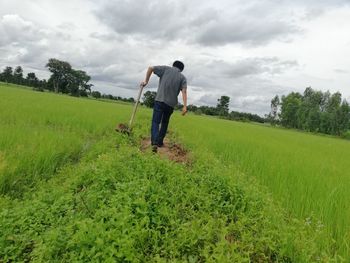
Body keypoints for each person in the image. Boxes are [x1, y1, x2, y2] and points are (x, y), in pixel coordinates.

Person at [140, 60, 187, 153]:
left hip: (160, 100)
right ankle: (160, 142)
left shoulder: (165, 69)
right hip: (170, 104)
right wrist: (185, 106)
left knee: (156, 122)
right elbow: (184, 91)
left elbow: (150, 68)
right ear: (181, 69)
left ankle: (154, 143)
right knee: (165, 123)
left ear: (173, 65)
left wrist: (146, 81)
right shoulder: (182, 77)